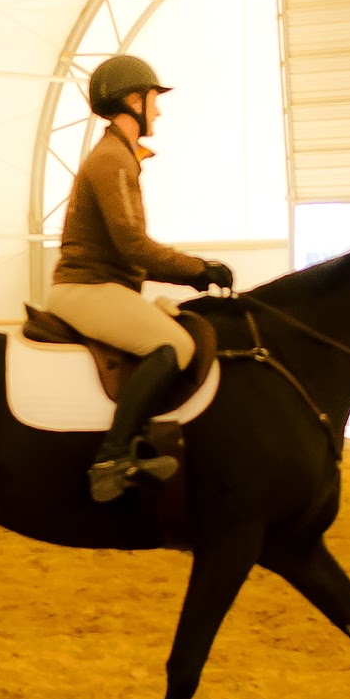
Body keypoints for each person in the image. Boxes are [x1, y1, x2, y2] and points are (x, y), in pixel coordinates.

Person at [45, 56, 233, 502]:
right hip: (86, 289)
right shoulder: (112, 160)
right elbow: (134, 245)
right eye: (154, 100)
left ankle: (144, 440)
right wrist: (198, 270)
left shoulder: (118, 156)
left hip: (105, 288)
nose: (159, 111)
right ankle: (111, 456)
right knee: (174, 347)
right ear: (134, 101)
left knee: (174, 324)